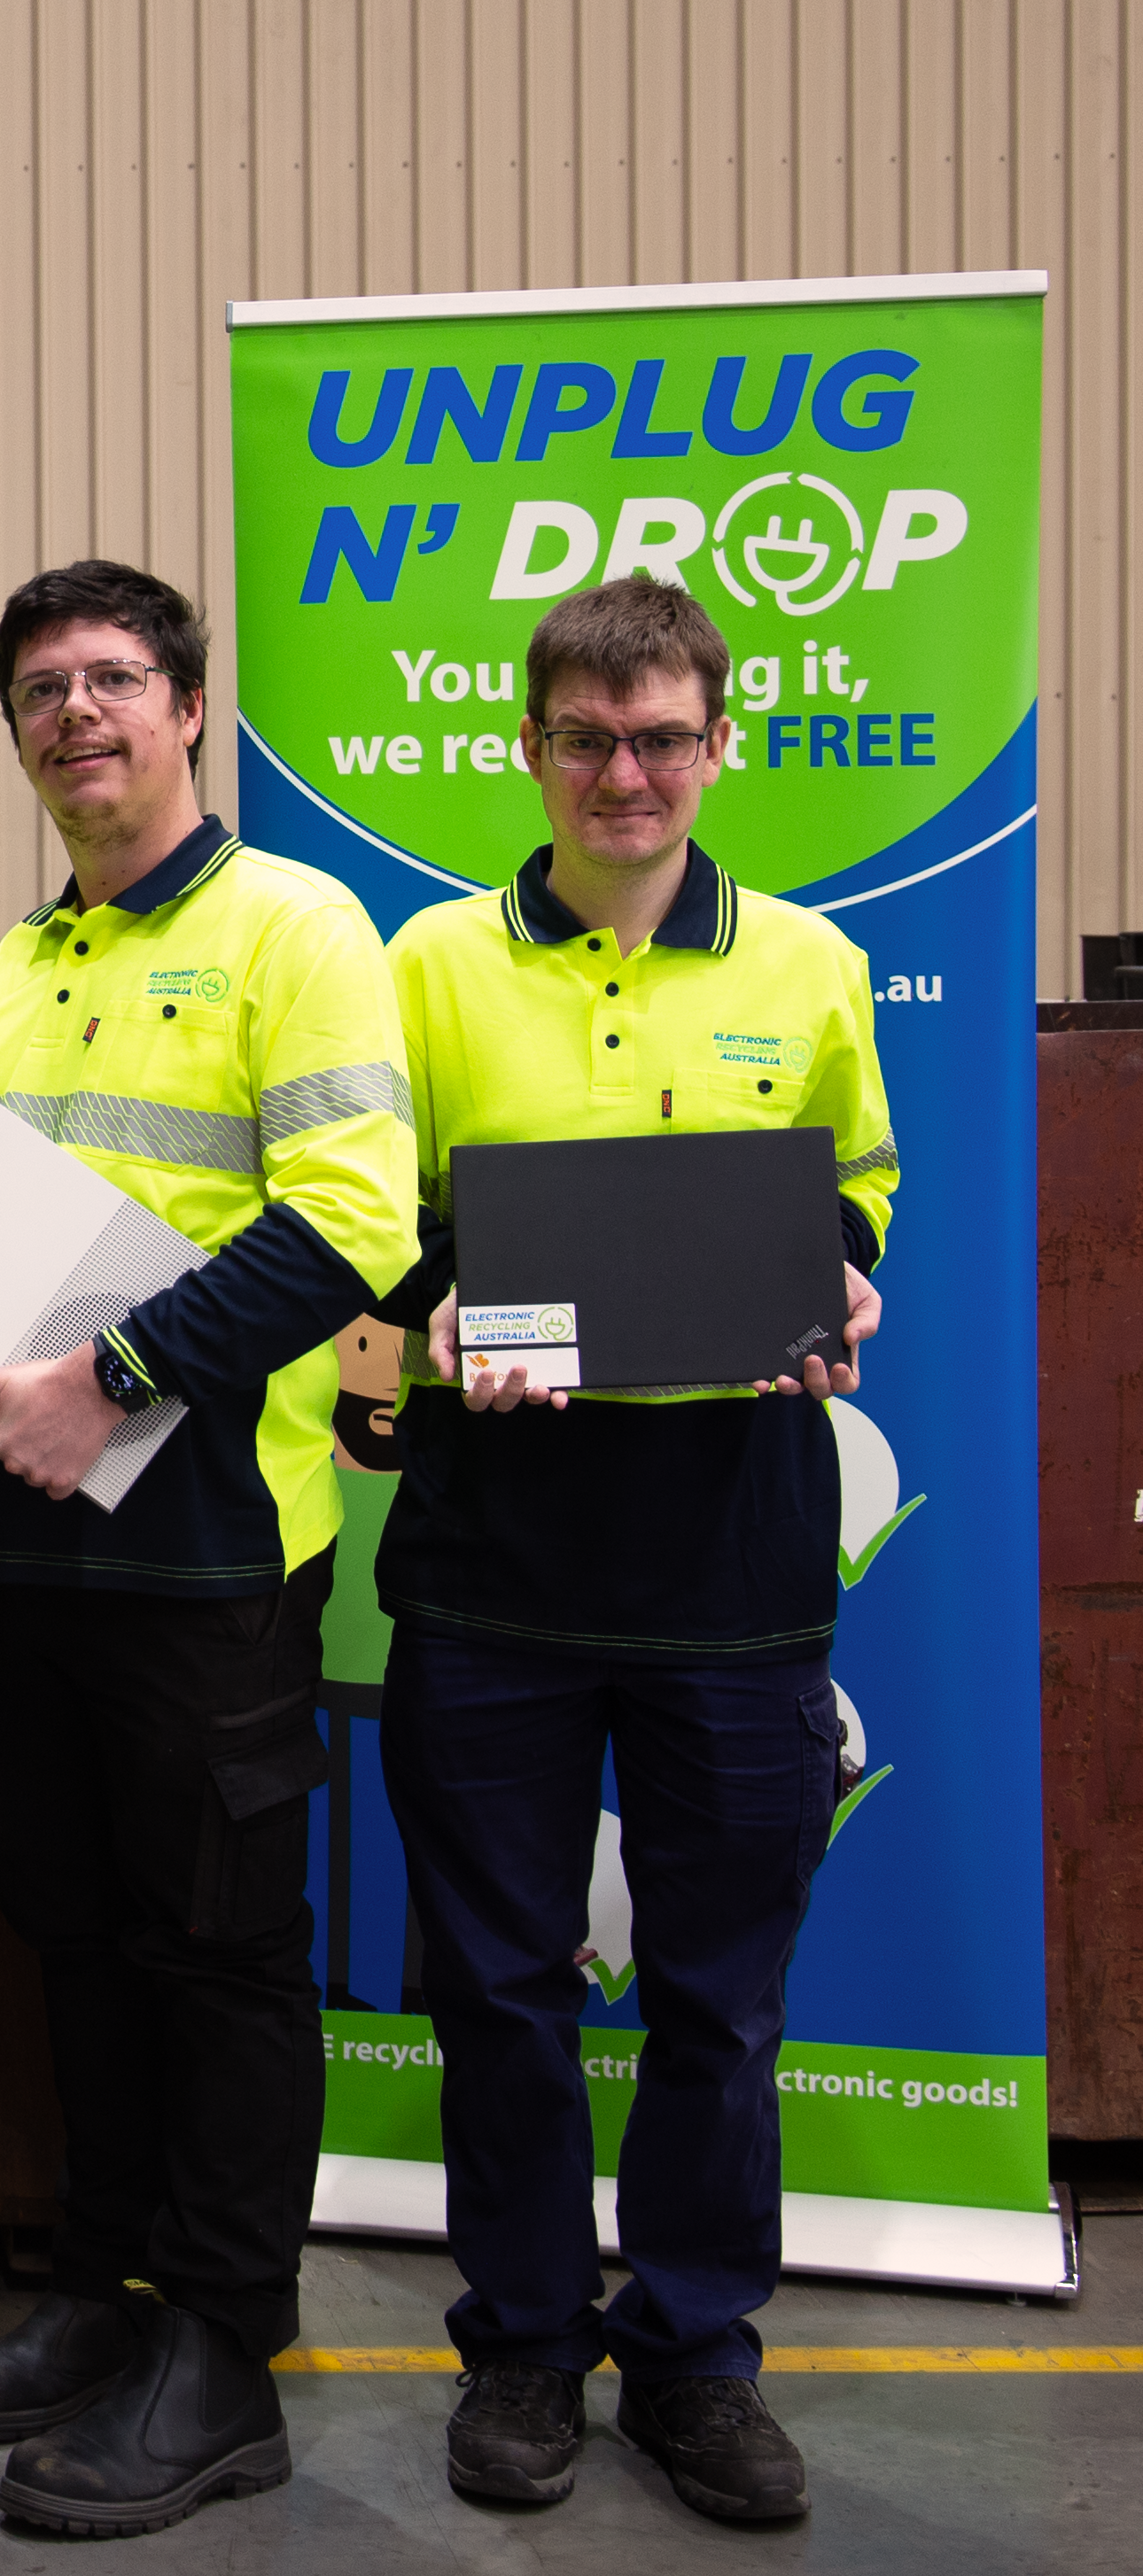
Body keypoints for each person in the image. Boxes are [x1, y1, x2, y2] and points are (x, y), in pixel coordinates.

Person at [0, 560, 416, 2538]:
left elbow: (348, 1219)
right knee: (75, 1935)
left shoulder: (296, 924)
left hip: (202, 1553)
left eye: (112, 678)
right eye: (37, 687)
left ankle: (221, 2351)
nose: (73, 713)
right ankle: (108, 2295)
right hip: (23, 1550)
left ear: (187, 706)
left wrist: (109, 1377)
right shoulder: (17, 959)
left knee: (215, 1955)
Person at [376, 575, 890, 2526]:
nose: (623, 772)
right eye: (585, 736)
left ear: (715, 744)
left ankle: (689, 2355)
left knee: (716, 1996)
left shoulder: (809, 965)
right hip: (492, 1555)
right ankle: (517, 2343)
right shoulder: (424, 965)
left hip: (735, 1568)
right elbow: (387, 1214)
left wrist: (844, 1279)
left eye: (661, 735)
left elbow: (853, 1184)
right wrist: (427, 1313)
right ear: (527, 744)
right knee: (498, 1989)